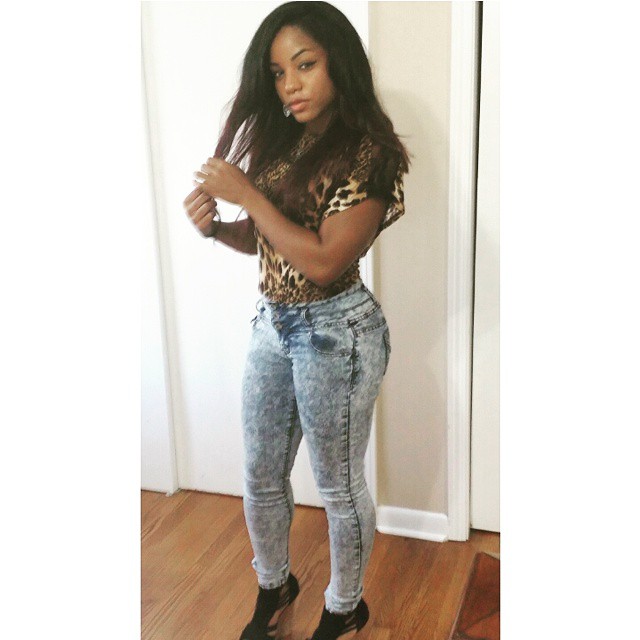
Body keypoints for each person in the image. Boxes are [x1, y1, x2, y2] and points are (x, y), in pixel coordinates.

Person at [183, 3, 409, 638]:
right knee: (260, 475)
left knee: (337, 486)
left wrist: (246, 195)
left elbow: (326, 260)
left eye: (305, 65)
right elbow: (272, 241)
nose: (291, 85)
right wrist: (217, 228)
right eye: (279, 73)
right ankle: (275, 584)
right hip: (273, 325)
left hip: (338, 333)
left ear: (340, 62)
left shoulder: (371, 153)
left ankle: (345, 606)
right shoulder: (285, 143)